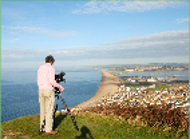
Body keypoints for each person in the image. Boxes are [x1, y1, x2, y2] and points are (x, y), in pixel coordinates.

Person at [37, 55, 64, 135]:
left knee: (43, 110)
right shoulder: (51, 68)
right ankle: (48, 130)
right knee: (49, 110)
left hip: (40, 90)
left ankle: (42, 127)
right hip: (48, 90)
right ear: (52, 61)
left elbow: (38, 79)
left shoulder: (40, 67)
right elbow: (51, 81)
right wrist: (60, 87)